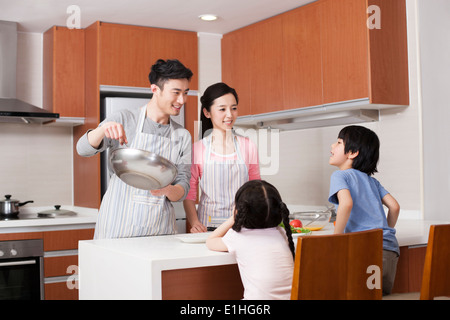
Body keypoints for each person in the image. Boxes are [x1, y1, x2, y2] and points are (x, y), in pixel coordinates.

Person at [76, 59, 193, 239]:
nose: (182, 100)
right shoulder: (124, 119)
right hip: (117, 225)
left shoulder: (182, 136)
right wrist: (101, 130)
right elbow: (82, 149)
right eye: (176, 93)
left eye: (185, 93)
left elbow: (183, 186)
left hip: (159, 229)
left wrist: (167, 190)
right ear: (155, 89)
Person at [328, 125, 400, 295]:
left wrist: (336, 239)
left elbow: (346, 204)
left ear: (352, 153)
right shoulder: (372, 181)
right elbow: (395, 206)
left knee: (357, 294)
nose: (332, 146)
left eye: (338, 142)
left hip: (366, 251)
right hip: (390, 250)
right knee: (378, 295)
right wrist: (385, 231)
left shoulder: (340, 176)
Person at [183, 82, 260, 233]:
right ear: (207, 113)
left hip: (242, 227)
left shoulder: (248, 146)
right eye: (222, 109)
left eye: (234, 108)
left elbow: (256, 189)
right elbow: (189, 194)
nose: (229, 115)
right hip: (208, 229)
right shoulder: (197, 149)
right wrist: (195, 223)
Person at [206, 180, 295, 300]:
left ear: (239, 210)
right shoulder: (282, 233)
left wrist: (233, 218)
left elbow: (211, 240)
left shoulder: (238, 236)